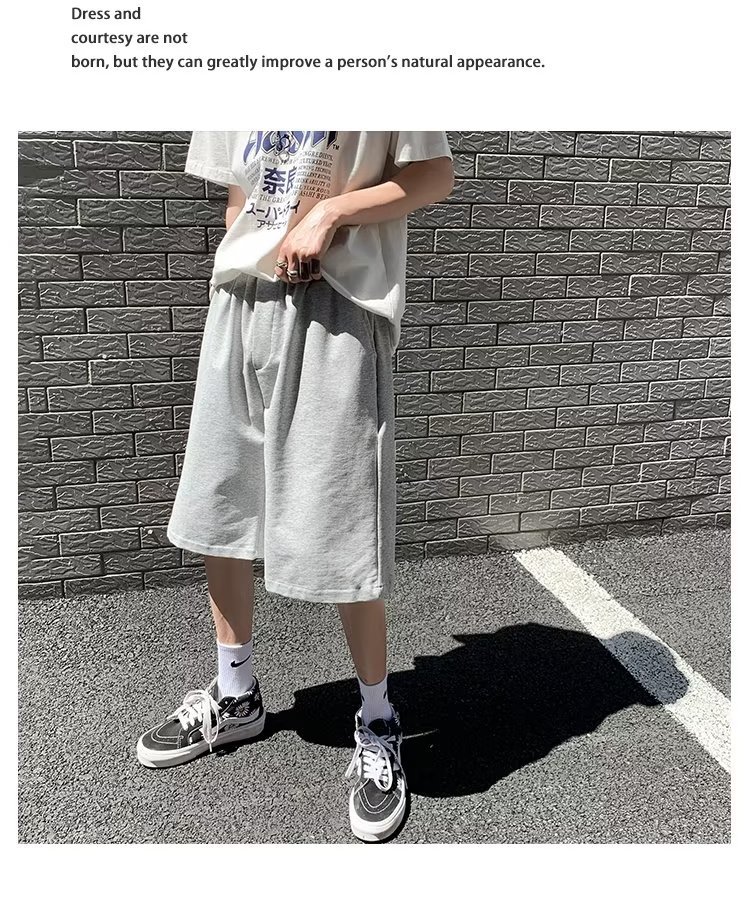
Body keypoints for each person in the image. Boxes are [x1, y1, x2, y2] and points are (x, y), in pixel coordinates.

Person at [135, 131, 455, 842]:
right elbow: (240, 194)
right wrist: (240, 271)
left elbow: (433, 175)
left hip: (337, 304)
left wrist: (331, 213)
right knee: (222, 502)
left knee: (344, 516)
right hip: (241, 300)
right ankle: (236, 695)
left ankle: (378, 717)